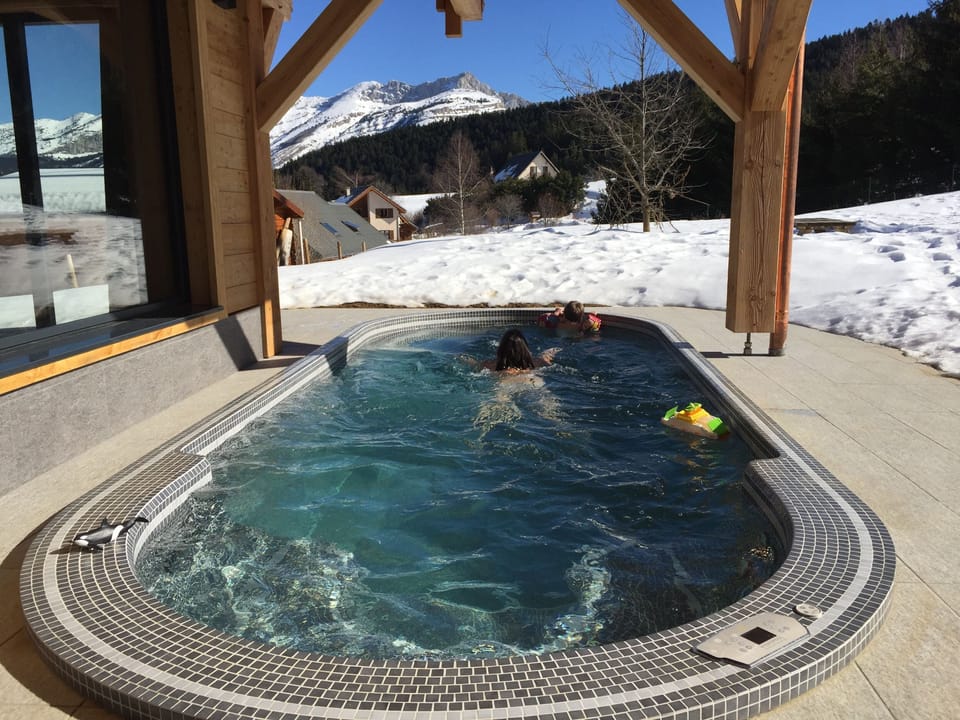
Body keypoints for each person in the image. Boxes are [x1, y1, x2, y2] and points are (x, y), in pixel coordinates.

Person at [481, 328, 558, 373]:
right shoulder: (536, 363)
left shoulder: (489, 365)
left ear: (501, 349)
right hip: (530, 380)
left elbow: (473, 363)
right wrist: (552, 351)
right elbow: (545, 358)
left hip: (504, 381)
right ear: (525, 349)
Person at [537, 300, 601, 334]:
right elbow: (595, 321)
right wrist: (592, 315)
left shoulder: (557, 323)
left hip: (557, 341)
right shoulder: (584, 325)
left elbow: (544, 319)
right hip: (577, 341)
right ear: (581, 316)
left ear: (564, 313)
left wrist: (557, 313)